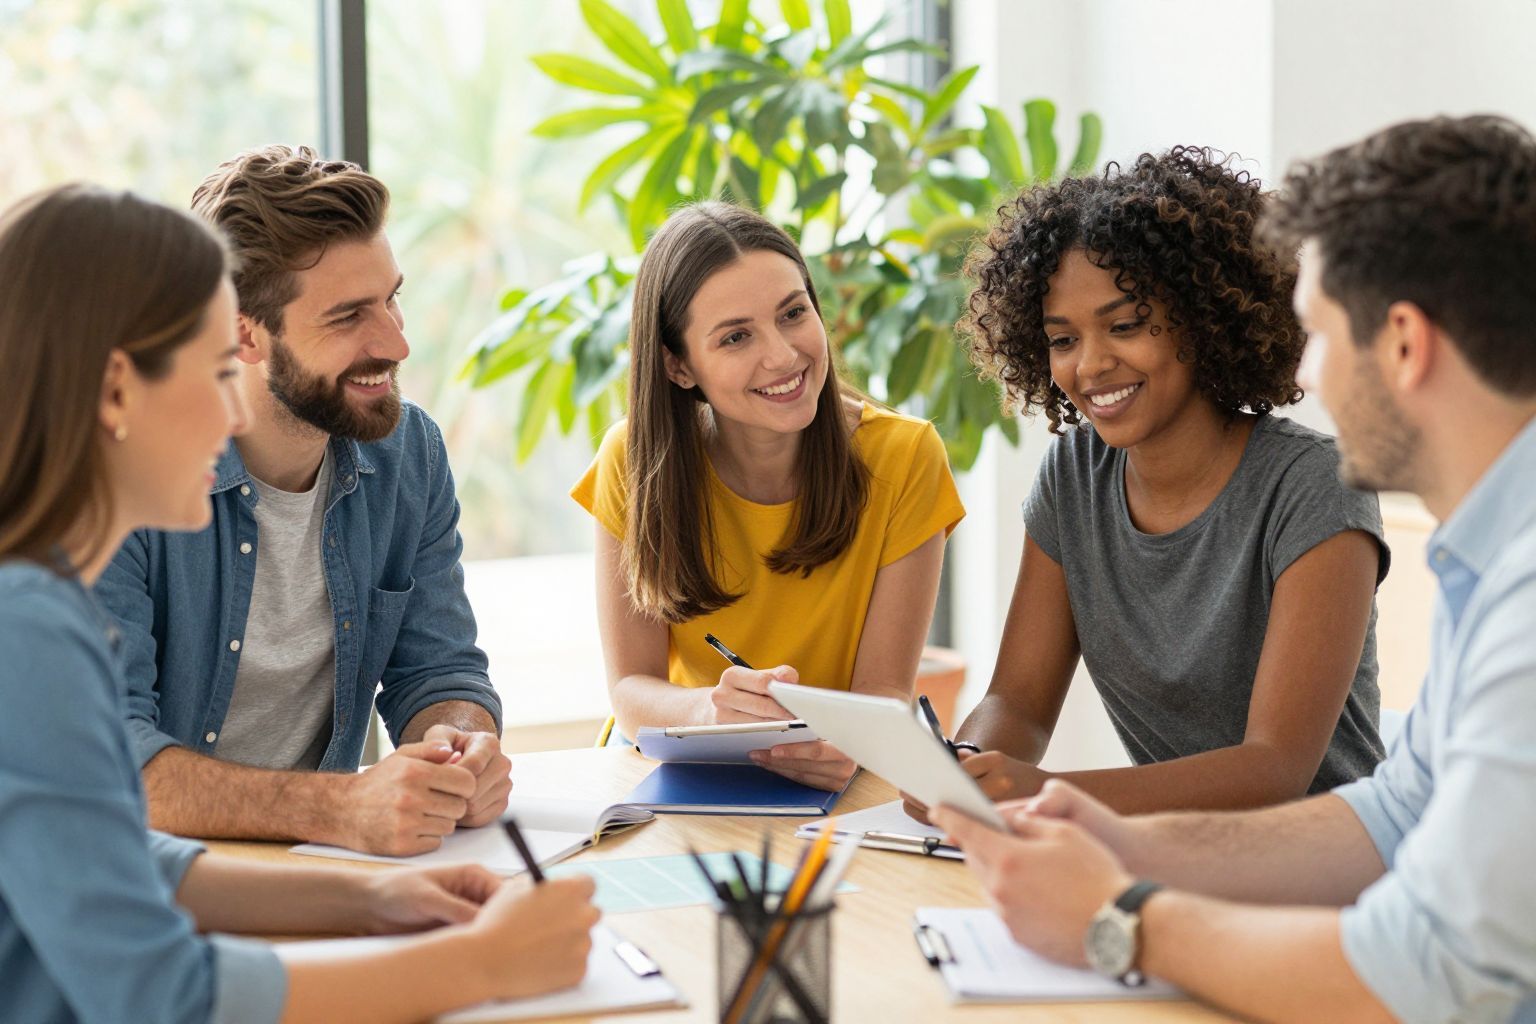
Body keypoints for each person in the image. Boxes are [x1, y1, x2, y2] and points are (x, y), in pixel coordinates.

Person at [933, 114, 1536, 1022]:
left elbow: (1435, 973)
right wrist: (1108, 840)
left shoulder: (1518, 592)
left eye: (1322, 334)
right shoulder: (1481, 560)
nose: (1313, 375)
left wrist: (1120, 918)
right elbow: (1391, 816)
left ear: (1405, 344)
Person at [0, 184, 599, 1024]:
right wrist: (479, 965)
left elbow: (126, 864)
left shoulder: (45, 606)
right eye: (214, 372)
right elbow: (160, 994)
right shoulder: (26, 634)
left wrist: (372, 902)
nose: (231, 405)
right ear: (114, 393)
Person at [915, 147, 1388, 818]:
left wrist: (1044, 793)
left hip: (1329, 870)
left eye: (1125, 326)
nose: (1091, 365)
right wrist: (965, 770)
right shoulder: (1075, 475)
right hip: (1172, 853)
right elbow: (1015, 704)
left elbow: (1274, 769)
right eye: (1062, 339)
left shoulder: (1314, 485)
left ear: (1201, 317)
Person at [94, 146, 510, 855]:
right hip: (156, 883)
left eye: (392, 299)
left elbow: (440, 670)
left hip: (316, 869)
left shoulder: (410, 454)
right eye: (349, 317)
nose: (397, 343)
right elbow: (115, 762)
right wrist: (343, 807)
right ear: (243, 334)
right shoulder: (123, 480)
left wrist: (459, 745)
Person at [574, 201, 965, 791]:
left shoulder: (905, 458)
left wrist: (851, 742)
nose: (783, 355)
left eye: (793, 313)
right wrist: (710, 712)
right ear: (679, 367)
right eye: (735, 336)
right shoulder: (633, 461)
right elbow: (632, 689)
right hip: (669, 776)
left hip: (829, 783)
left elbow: (884, 692)